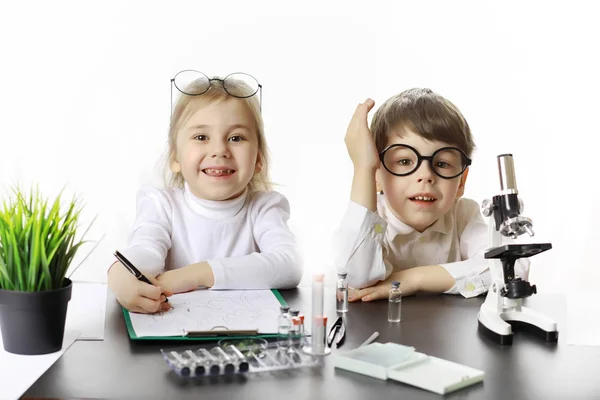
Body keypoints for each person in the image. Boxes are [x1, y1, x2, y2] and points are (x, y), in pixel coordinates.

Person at [108, 71, 303, 313]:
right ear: (175, 157)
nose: (219, 150)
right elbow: (146, 249)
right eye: (201, 137)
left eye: (236, 137)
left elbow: (289, 264)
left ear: (258, 160)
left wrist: (197, 274)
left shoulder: (264, 207)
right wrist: (119, 274)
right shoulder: (161, 204)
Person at [333, 88, 528, 301]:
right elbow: (355, 278)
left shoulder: (463, 216)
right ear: (377, 174)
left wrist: (414, 279)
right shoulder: (372, 220)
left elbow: (513, 267)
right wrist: (363, 167)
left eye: (442, 164)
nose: (426, 176)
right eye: (405, 161)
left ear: (461, 181)